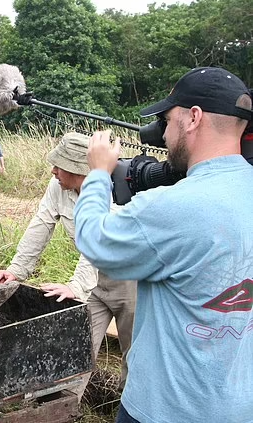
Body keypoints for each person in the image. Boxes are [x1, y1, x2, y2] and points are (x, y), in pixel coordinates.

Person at [74, 67, 253, 422]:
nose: (164, 133)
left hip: (166, 408)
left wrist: (97, 172)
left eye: (168, 120)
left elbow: (94, 240)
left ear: (193, 118)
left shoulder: (170, 208)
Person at [0, 132, 136, 401]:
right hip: (94, 285)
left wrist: (75, 286)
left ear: (78, 168)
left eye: (59, 166)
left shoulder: (115, 191)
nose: (53, 171)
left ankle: (128, 409)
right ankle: (64, 408)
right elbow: (41, 224)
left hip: (131, 281)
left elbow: (99, 244)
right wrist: (16, 270)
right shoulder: (57, 187)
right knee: (76, 348)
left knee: (134, 353)